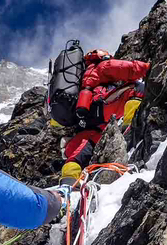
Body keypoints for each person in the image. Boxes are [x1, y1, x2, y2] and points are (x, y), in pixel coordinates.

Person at [58, 49, 150, 185]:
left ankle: (68, 181)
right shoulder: (101, 66)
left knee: (80, 153)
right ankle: (130, 127)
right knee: (136, 88)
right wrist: (148, 68)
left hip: (85, 124)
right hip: (99, 108)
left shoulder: (79, 79)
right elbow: (126, 69)